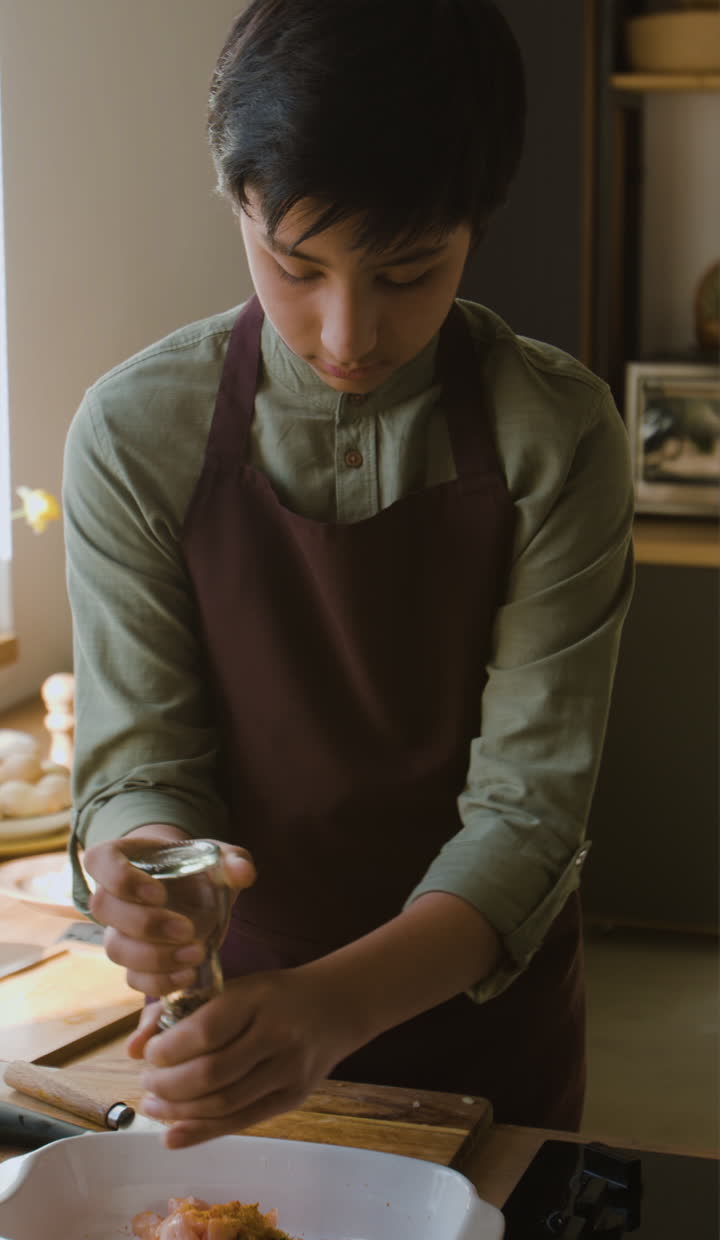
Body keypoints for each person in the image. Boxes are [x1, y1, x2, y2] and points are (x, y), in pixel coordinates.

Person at [64, 0, 634, 1151]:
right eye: (294, 263)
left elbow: (529, 808)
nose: (346, 332)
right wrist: (143, 866)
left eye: (407, 270)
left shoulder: (557, 434)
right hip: (237, 1017)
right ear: (238, 203)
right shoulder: (136, 432)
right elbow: (142, 762)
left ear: (475, 222)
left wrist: (337, 1004)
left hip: (483, 1022)